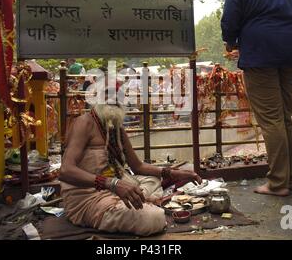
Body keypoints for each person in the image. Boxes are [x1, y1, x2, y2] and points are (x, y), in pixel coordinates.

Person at [221, 0, 292, 196]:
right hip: (291, 50)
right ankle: (291, 177)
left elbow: (230, 18)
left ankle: (278, 183)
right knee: (284, 115)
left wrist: (231, 41)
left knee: (270, 119)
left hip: (261, 52)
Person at [59, 97, 202, 236]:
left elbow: (138, 166)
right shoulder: (85, 122)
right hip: (88, 198)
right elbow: (65, 171)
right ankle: (143, 203)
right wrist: (112, 183)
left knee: (153, 180)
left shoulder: (116, 127)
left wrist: (174, 173)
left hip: (115, 188)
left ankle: (138, 200)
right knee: (154, 218)